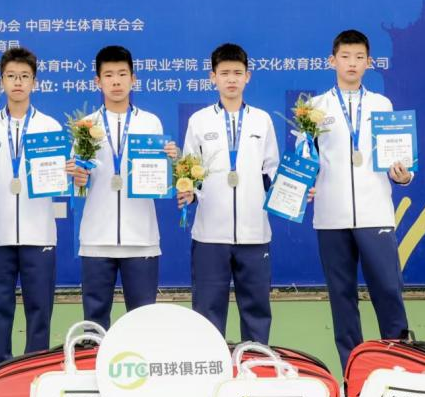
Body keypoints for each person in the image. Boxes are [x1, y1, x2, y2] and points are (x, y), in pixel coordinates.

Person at [308, 29, 414, 370]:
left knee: (388, 291)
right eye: (345, 57)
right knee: (342, 298)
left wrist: (404, 176)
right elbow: (304, 158)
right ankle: (352, 373)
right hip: (331, 217)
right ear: (332, 61)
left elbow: (398, 161)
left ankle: (400, 367)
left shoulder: (382, 105)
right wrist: (302, 184)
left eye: (359, 57)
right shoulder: (315, 108)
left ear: (369, 62)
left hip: (375, 213)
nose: (351, 63)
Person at [0, 46, 63, 370]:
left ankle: (34, 374)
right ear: (1, 81)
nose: (18, 82)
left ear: (35, 82)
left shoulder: (50, 127)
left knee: (40, 310)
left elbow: (58, 177)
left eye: (24, 76)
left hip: (39, 234)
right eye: (11, 76)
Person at [71, 45, 179, 329]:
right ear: (98, 81)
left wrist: (170, 161)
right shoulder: (85, 126)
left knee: (142, 322)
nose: (116, 81)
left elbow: (160, 179)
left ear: (133, 79)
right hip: (97, 238)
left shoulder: (150, 123)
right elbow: (79, 182)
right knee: (94, 322)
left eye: (122, 74)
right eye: (108, 75)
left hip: (141, 237)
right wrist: (77, 178)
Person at [179, 43, 279, 343]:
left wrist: (294, 190)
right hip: (210, 235)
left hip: (254, 233)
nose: (231, 79)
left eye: (237, 72)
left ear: (248, 76)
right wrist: (189, 192)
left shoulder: (262, 120)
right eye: (224, 73)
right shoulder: (199, 121)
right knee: (207, 312)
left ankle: (256, 362)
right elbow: (189, 170)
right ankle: (210, 366)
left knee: (257, 309)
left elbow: (272, 170)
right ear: (213, 77)